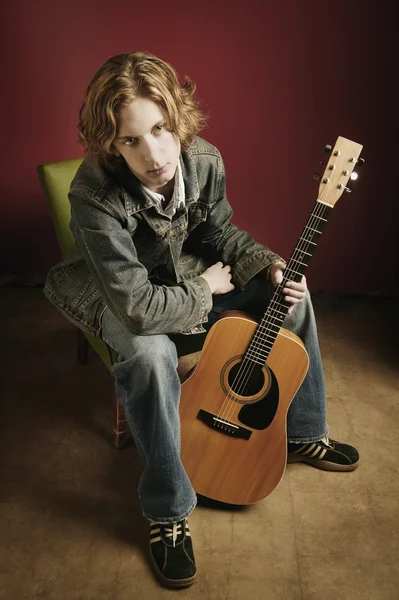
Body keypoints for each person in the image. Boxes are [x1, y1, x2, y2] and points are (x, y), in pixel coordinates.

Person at [44, 51, 359, 588]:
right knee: (148, 354)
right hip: (118, 291)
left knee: (294, 298)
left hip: (187, 271)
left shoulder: (204, 159)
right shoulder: (93, 195)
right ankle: (167, 511)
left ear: (177, 117)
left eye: (161, 129)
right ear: (110, 145)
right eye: (131, 140)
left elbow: (218, 234)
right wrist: (205, 288)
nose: (155, 153)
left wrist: (270, 265)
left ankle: (304, 431)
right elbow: (139, 308)